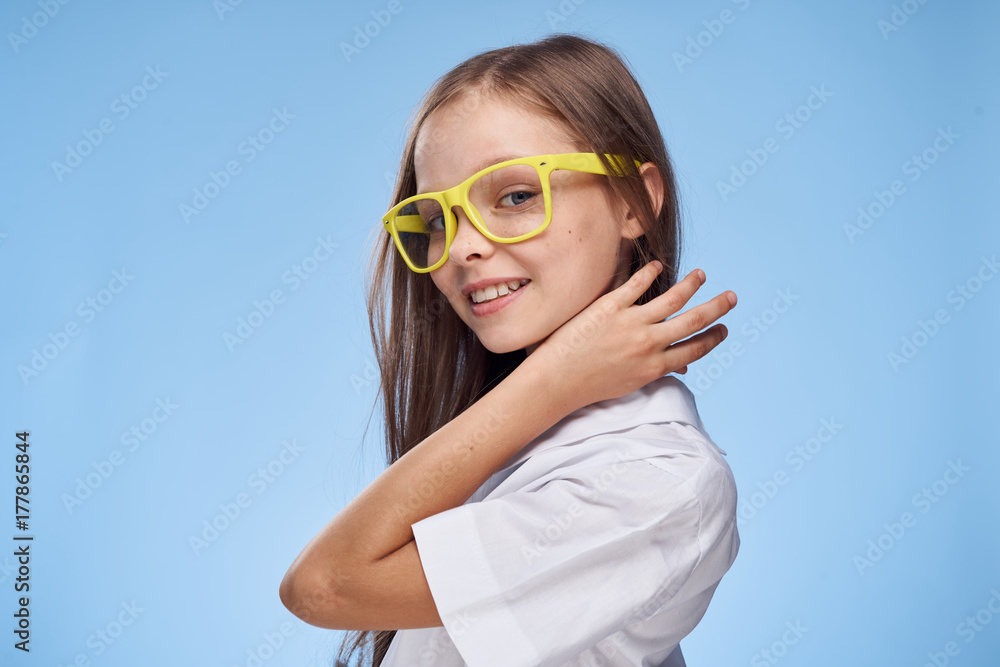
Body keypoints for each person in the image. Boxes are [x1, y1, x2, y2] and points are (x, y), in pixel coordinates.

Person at [279, 34, 740, 667]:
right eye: (436, 219)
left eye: (517, 196)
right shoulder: (522, 437)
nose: (461, 247)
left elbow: (322, 586)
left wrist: (551, 382)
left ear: (635, 202)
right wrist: (549, 388)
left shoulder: (658, 481)